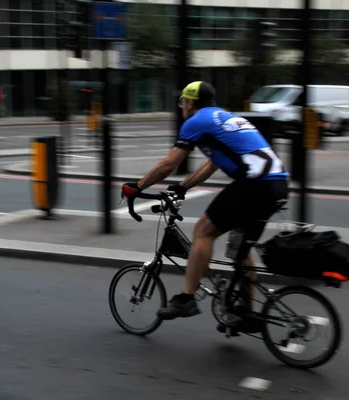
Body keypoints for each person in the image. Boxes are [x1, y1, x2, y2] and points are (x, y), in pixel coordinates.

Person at [120, 81, 289, 334]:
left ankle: (186, 299)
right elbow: (213, 164)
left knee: (203, 230)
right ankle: (245, 313)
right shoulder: (226, 118)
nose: (182, 108)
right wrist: (184, 186)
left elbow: (169, 164)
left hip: (255, 185)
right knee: (239, 243)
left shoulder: (196, 121)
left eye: (183, 103)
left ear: (190, 102)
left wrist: (138, 186)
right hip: (277, 185)